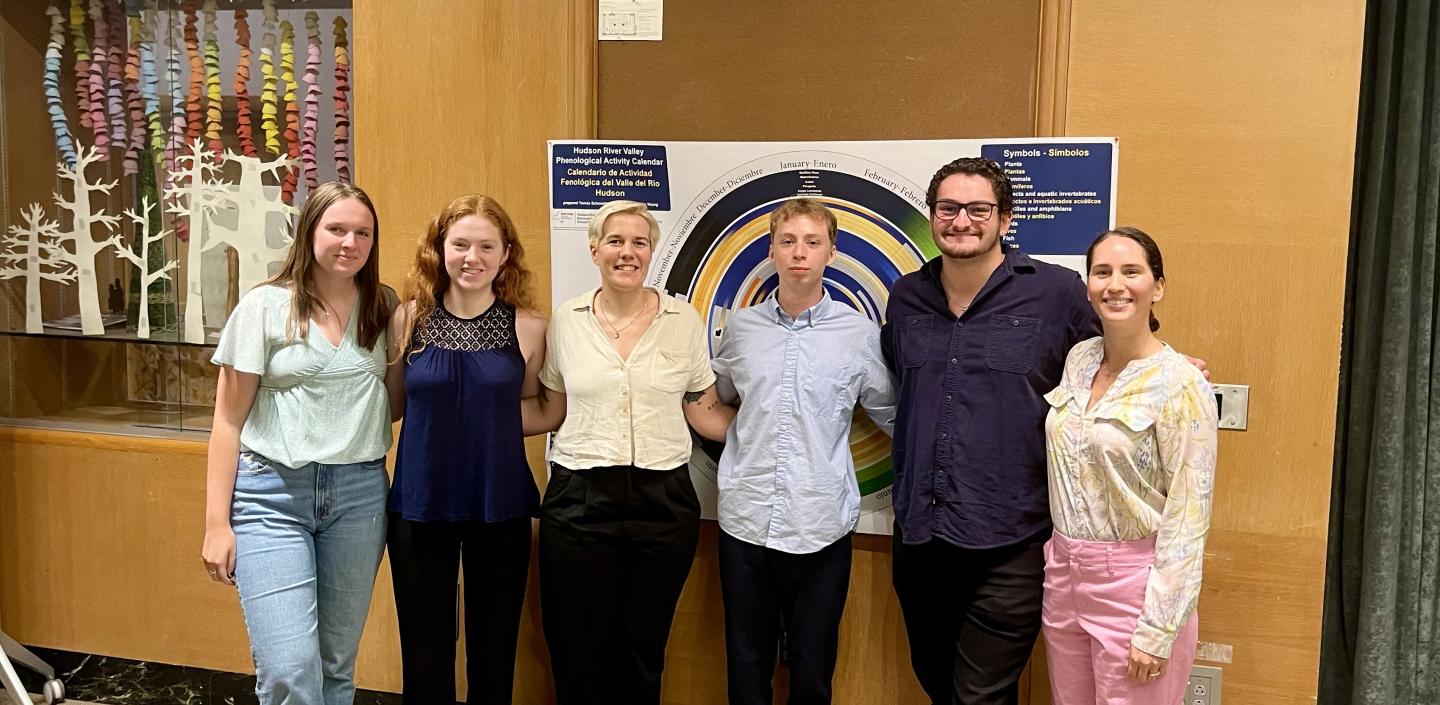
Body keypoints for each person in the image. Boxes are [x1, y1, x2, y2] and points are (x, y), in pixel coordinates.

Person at [526, 199, 735, 705]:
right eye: (615, 241)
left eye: (639, 242)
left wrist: (777, 425)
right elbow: (551, 410)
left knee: (644, 646)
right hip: (579, 499)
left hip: (662, 501)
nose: (627, 252)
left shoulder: (682, 319)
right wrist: (473, 418)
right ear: (595, 249)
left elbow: (703, 410)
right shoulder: (566, 321)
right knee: (577, 647)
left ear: (652, 251)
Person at [201, 181, 396, 705]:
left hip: (358, 498)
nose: (349, 243)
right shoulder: (264, 306)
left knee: (335, 666)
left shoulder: (384, 308)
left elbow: (390, 403)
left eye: (362, 233)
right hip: (271, 498)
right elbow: (226, 423)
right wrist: (217, 524)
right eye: (336, 229)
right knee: (290, 669)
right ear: (309, 231)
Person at [710, 198, 897, 705]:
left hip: (820, 524)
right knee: (746, 667)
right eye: (788, 241)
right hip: (746, 522)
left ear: (831, 252)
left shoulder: (859, 336)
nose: (799, 253)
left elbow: (892, 414)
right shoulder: (742, 330)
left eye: (812, 242)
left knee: (814, 671)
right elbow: (719, 400)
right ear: (772, 250)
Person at [1040, 227, 1217, 705]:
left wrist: (1159, 626)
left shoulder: (1180, 383)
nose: (1115, 284)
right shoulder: (1080, 359)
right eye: (1102, 272)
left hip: (1135, 586)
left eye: (1131, 271)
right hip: (1064, 574)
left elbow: (1189, 513)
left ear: (1157, 286)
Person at [383, 195, 547, 705]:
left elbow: (541, 410)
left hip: (499, 506)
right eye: (460, 244)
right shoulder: (407, 319)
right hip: (418, 503)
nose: (471, 257)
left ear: (505, 254)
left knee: (494, 652)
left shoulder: (531, 327)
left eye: (485, 246)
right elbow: (391, 406)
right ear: (440, 249)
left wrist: (484, 422)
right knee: (424, 652)